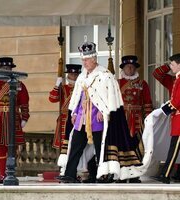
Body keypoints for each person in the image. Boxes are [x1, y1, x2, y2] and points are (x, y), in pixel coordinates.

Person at [56, 41, 149, 183]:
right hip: (82, 116)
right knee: (75, 145)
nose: (84, 63)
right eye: (83, 60)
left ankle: (104, 174)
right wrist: (74, 113)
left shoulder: (105, 75)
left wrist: (104, 111)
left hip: (98, 118)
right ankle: (70, 174)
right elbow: (77, 97)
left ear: (94, 59)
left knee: (101, 147)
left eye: (86, 60)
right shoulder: (82, 76)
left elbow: (111, 98)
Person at [0, 57, 30, 184]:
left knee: (12, 148)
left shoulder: (18, 84)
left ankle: (11, 173)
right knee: (0, 148)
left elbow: (24, 102)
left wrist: (24, 117)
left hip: (13, 116)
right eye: (4, 68)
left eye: (8, 68)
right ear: (0, 69)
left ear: (11, 69)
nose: (6, 70)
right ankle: (2, 174)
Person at [118, 55, 153, 183]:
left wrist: (148, 120)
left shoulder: (142, 84)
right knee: (122, 147)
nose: (131, 69)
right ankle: (122, 175)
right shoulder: (117, 83)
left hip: (137, 120)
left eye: (133, 67)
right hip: (122, 120)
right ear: (124, 68)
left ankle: (134, 175)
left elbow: (148, 103)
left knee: (137, 148)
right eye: (128, 67)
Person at [152, 53, 180, 184]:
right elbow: (156, 73)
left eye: (173, 64)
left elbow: (176, 101)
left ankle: (166, 173)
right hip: (176, 119)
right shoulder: (176, 79)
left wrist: (161, 111)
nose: (171, 67)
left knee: (173, 149)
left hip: (179, 120)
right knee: (173, 148)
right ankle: (165, 173)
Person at [49, 64, 81, 149]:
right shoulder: (63, 88)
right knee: (64, 147)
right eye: (71, 74)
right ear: (68, 75)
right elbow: (52, 99)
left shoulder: (82, 88)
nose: (73, 77)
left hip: (78, 118)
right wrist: (57, 84)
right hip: (64, 120)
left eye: (75, 75)